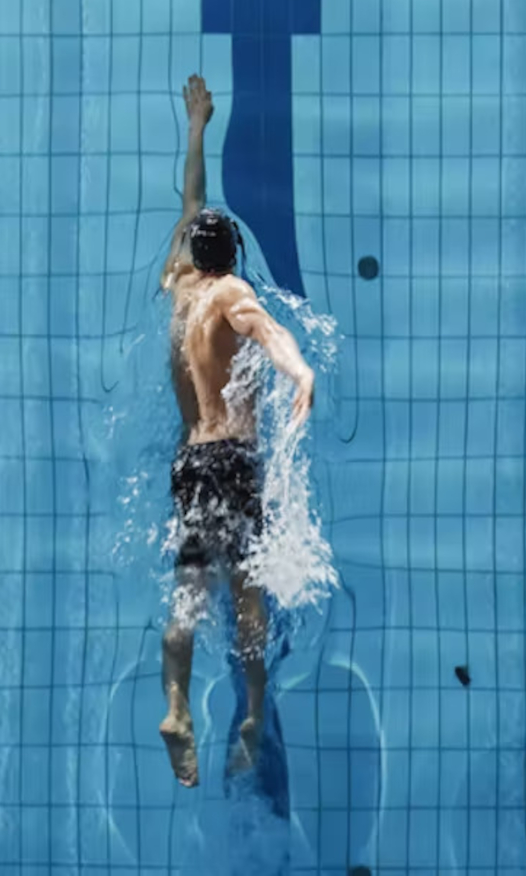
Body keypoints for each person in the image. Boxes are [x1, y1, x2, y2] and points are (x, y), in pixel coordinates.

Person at [156, 75, 316, 788]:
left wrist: (197, 127)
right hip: (232, 459)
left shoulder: (180, 286)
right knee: (247, 594)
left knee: (190, 589)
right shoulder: (230, 293)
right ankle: (252, 710)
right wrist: (300, 371)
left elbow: (190, 202)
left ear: (193, 252)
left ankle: (176, 706)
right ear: (233, 259)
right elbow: (271, 331)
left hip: (189, 462)